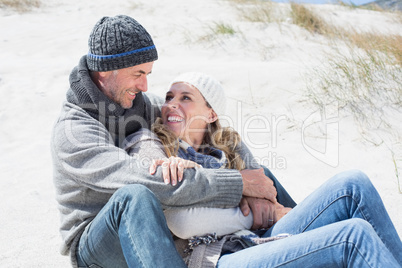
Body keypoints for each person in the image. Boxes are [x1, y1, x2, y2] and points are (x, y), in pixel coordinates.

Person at [51, 15, 290, 268]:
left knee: (264, 177)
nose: (144, 85)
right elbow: (147, 180)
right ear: (107, 70)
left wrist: (249, 180)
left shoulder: (139, 103)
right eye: (138, 73)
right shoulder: (73, 130)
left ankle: (309, 235)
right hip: (99, 243)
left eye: (148, 73)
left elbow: (209, 127)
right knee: (134, 197)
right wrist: (237, 184)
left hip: (157, 232)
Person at [124, 72, 402, 267]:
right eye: (170, 97)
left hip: (258, 239)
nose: (171, 104)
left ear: (211, 114)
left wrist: (251, 195)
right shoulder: (150, 142)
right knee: (354, 234)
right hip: (215, 256)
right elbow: (185, 222)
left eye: (185, 98)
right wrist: (240, 193)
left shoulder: (228, 145)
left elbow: (264, 192)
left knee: (353, 184)